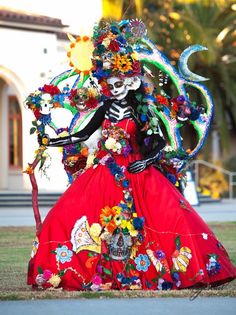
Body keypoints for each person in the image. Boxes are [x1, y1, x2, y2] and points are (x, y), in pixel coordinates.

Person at [27, 20, 236, 291]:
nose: (115, 90)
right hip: (104, 172)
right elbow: (81, 135)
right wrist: (51, 140)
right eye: (110, 85)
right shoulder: (104, 110)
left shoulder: (142, 111)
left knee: (172, 217)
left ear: (132, 81)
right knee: (68, 214)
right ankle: (93, 270)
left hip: (139, 172)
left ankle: (162, 268)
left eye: (120, 83)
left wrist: (146, 161)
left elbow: (159, 142)